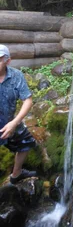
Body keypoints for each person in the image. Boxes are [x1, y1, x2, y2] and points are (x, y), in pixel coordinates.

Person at [0, 44, 37, 184]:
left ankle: (16, 174)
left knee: (26, 142)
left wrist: (14, 123)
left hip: (9, 121)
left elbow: (27, 99)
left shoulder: (16, 76)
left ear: (7, 61)